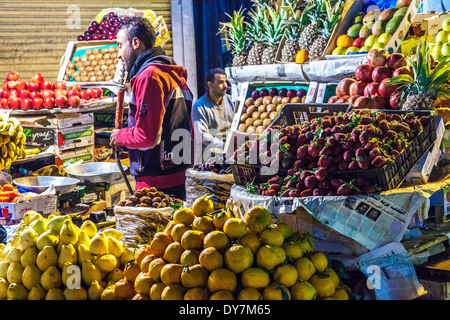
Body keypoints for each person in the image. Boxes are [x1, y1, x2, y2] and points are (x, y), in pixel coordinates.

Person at [110, 17, 193, 201]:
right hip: (178, 176)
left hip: (155, 186)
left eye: (119, 45)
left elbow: (146, 137)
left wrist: (120, 136)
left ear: (135, 42)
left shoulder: (149, 77)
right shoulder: (171, 72)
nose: (118, 54)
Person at [191, 68, 235, 163]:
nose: (225, 86)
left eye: (226, 82)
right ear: (210, 84)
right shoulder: (199, 106)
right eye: (220, 82)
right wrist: (226, 145)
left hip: (232, 150)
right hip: (211, 154)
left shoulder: (231, 101)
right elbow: (203, 136)